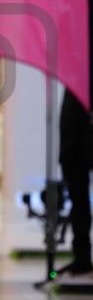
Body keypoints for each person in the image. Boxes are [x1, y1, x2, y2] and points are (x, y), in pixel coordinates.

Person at [59, 88, 93, 276]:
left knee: (79, 203)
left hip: (75, 144)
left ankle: (82, 257)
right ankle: (82, 257)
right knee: (78, 203)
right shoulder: (73, 81)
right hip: (73, 146)